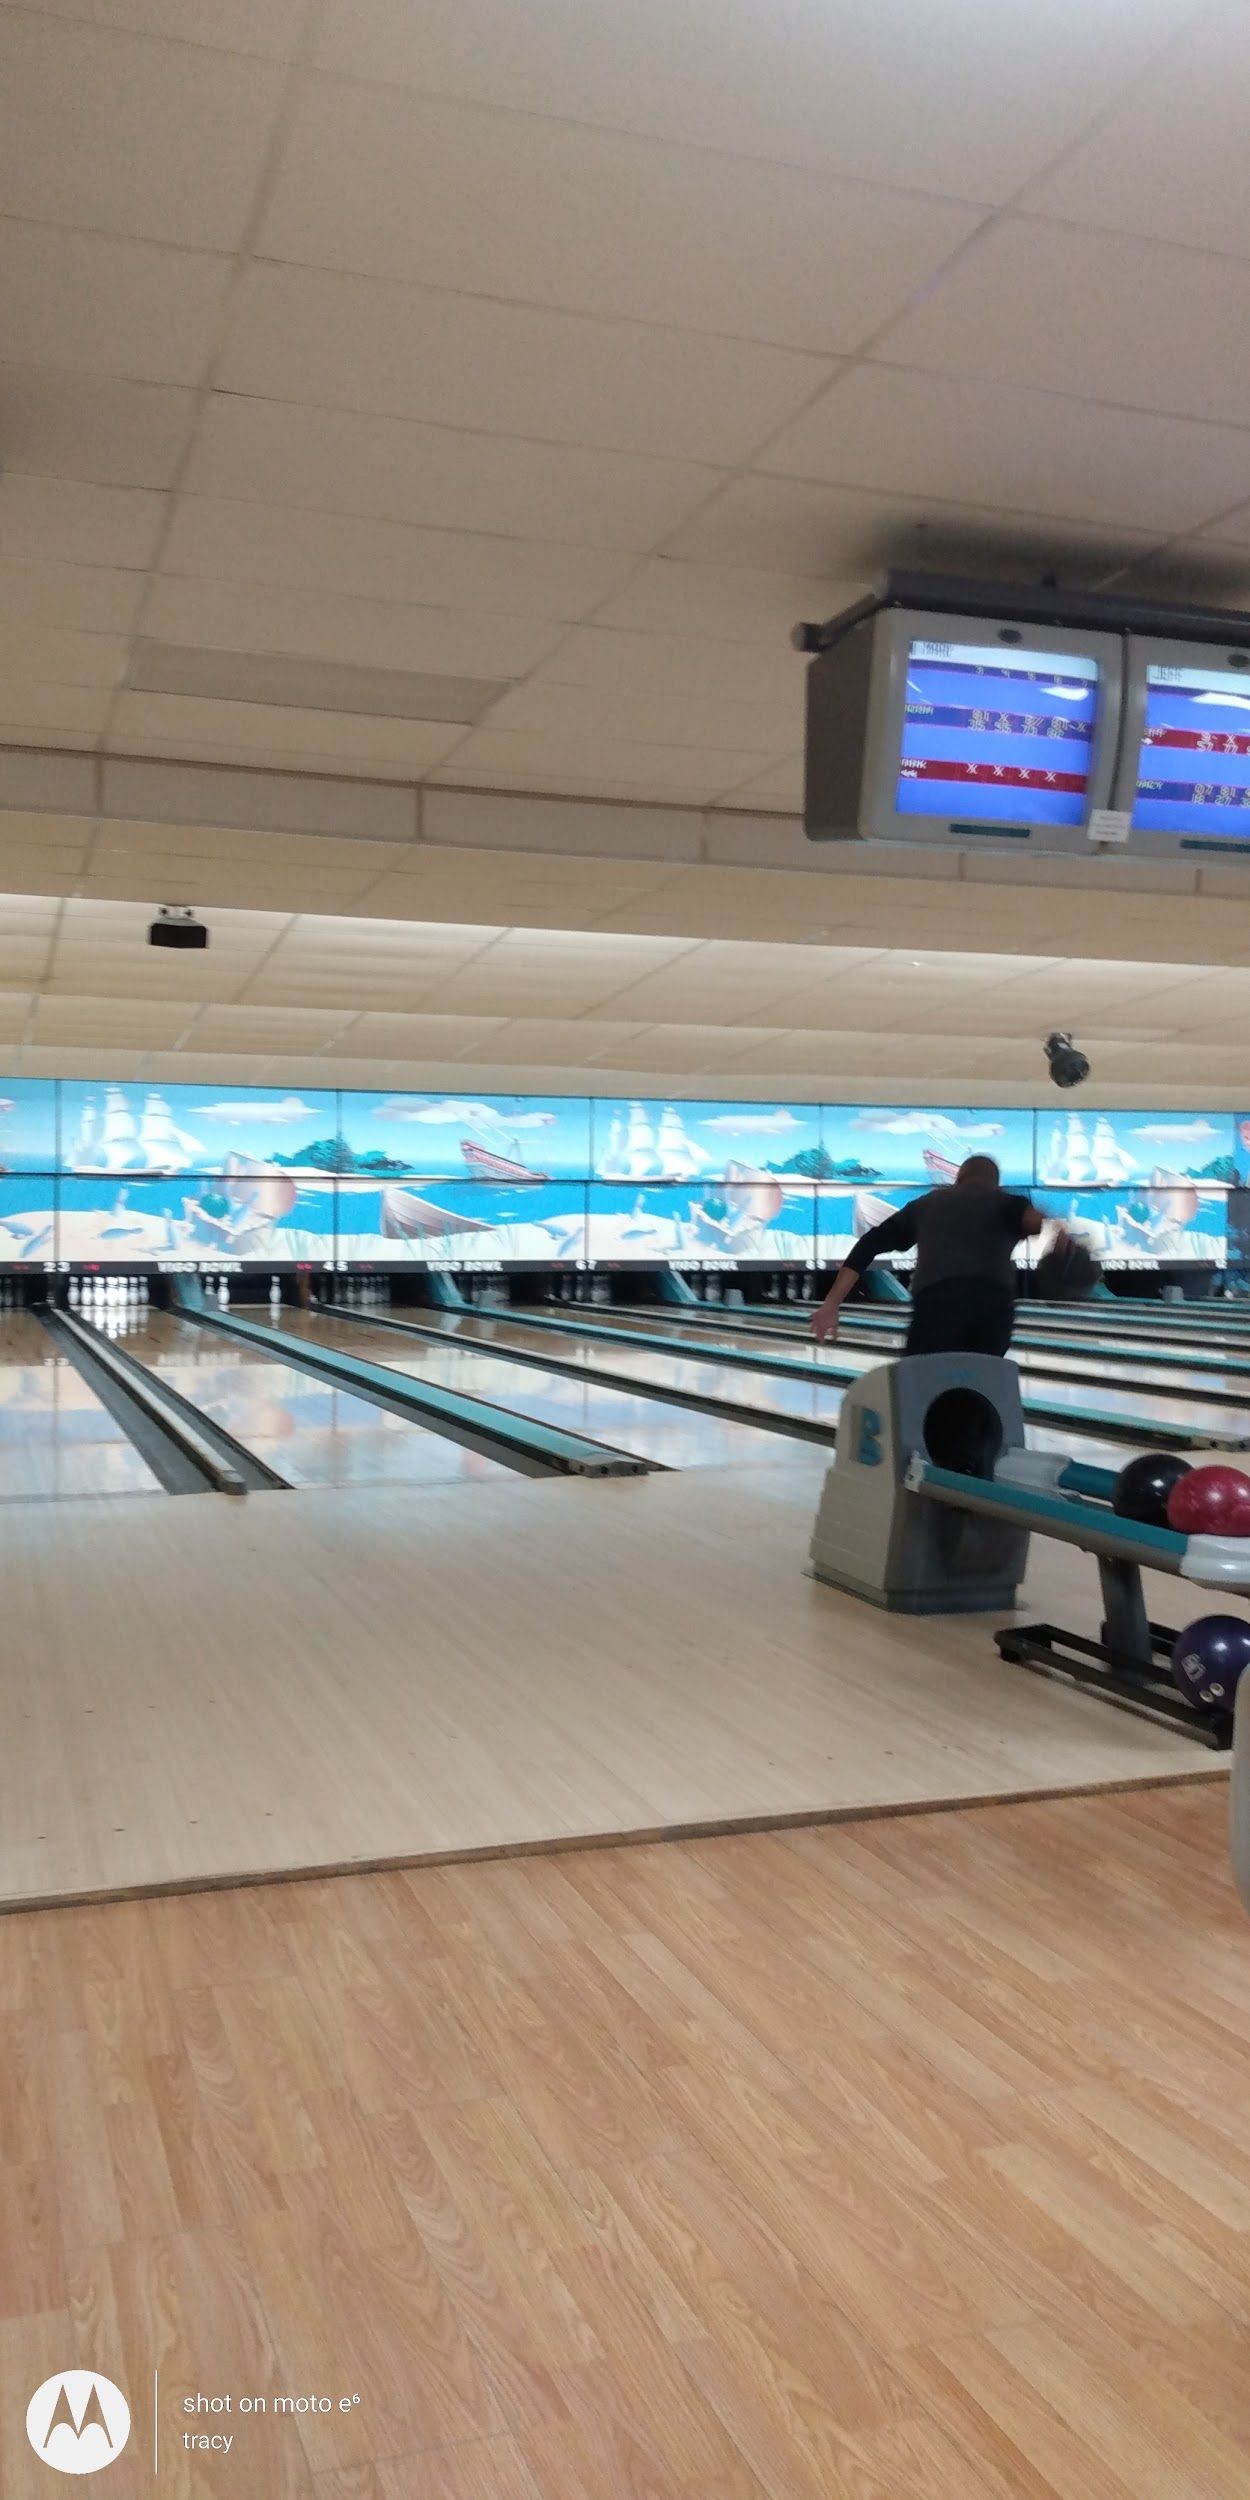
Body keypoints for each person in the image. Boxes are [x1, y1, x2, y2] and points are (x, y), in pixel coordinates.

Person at [810, 1155, 1053, 1356]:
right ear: (996, 1183)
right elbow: (1033, 1222)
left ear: (957, 1179)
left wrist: (831, 1304)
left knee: (924, 1388)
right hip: (992, 1309)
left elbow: (867, 1245)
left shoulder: (927, 1204)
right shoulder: (1009, 1202)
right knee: (980, 1387)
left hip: (937, 1306)